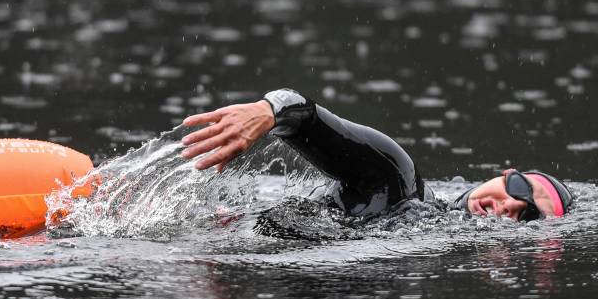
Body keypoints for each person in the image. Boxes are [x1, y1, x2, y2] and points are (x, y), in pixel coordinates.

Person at [180, 88, 573, 225]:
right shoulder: (398, 183)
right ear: (505, 173)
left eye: (528, 215)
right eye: (519, 188)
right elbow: (304, 113)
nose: (510, 206)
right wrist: (267, 112)